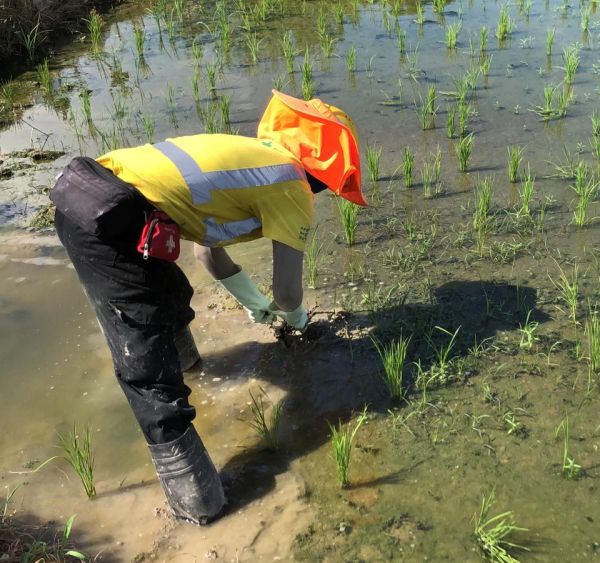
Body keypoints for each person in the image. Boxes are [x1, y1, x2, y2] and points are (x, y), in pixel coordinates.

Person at [50, 91, 365, 524]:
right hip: (106, 217)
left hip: (98, 195)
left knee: (170, 296)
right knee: (147, 368)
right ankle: (201, 504)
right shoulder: (291, 187)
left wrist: (256, 305)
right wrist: (297, 321)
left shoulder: (251, 161)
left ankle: (195, 368)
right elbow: (290, 293)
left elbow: (208, 255)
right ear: (325, 174)